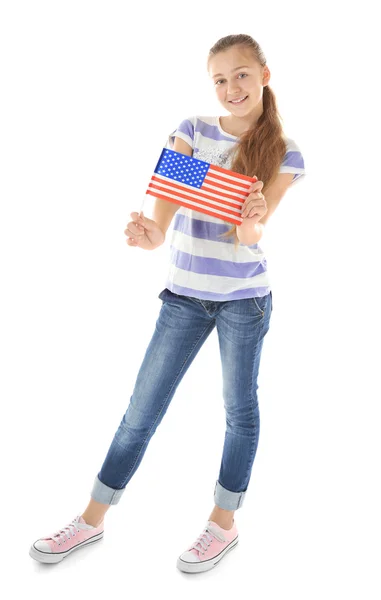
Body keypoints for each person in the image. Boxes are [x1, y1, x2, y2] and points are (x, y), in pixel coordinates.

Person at [29, 33, 305, 573]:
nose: (232, 87)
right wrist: (148, 235)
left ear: (264, 76)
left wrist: (250, 221)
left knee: (239, 412)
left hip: (244, 300)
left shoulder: (285, 151)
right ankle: (90, 519)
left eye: (242, 74)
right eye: (220, 79)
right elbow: (162, 216)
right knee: (141, 412)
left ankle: (222, 525)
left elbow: (252, 235)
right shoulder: (192, 131)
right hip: (183, 295)